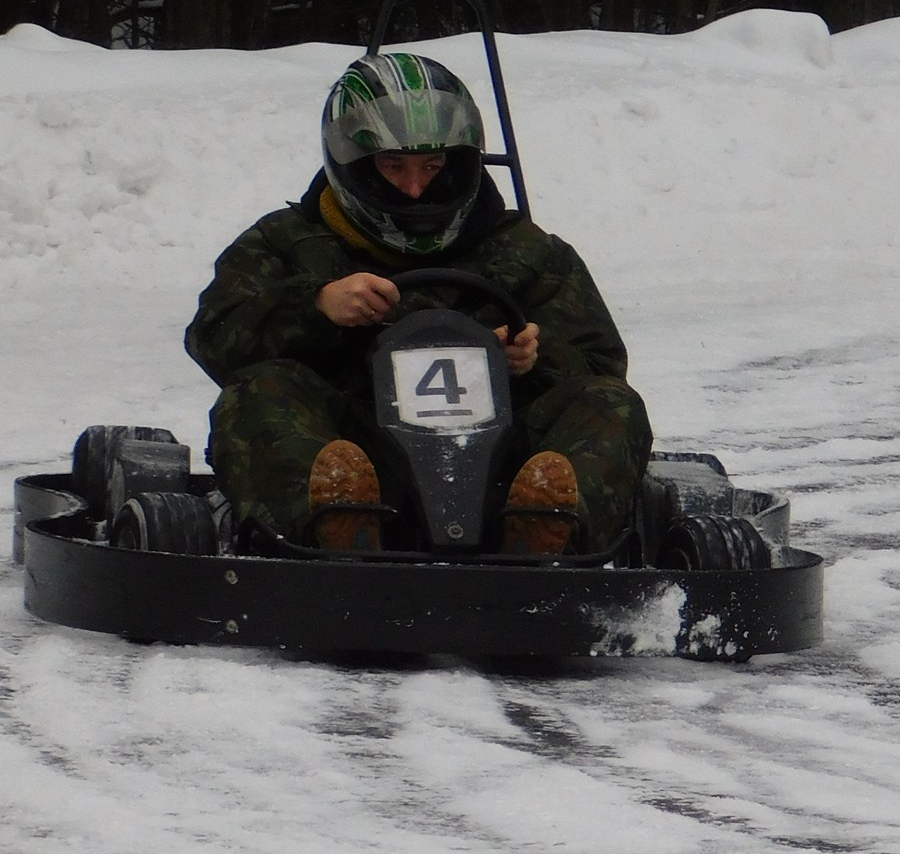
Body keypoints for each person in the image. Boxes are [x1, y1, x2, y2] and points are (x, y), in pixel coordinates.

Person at [186, 51, 652, 556]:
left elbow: (602, 367)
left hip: (501, 468)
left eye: (432, 166)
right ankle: (337, 530)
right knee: (258, 391)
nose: (414, 187)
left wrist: (530, 361)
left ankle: (544, 535)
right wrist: (315, 307)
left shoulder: (530, 253)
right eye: (393, 166)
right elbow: (215, 339)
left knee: (610, 403)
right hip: (359, 449)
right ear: (355, 164)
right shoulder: (285, 242)